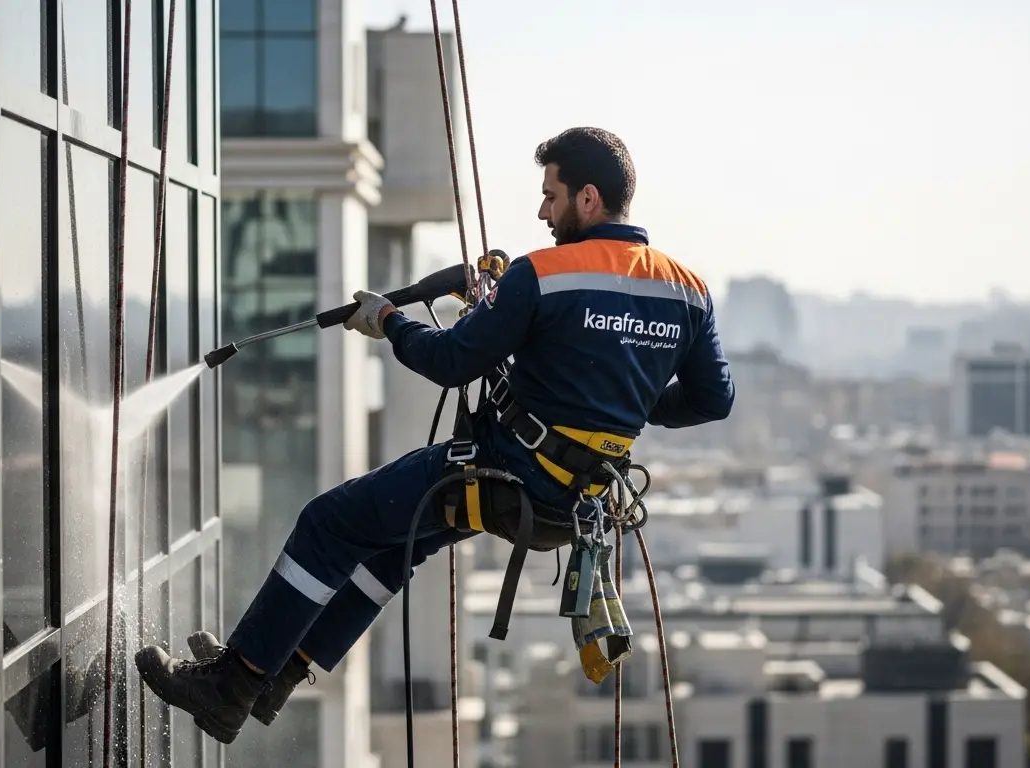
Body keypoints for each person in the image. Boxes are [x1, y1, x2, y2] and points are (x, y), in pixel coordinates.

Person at [134, 126, 736, 744]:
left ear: (588, 198)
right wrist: (629, 402)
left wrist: (390, 322)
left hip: (504, 472)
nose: (542, 210)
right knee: (394, 547)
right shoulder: (687, 290)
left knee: (327, 523)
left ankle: (231, 687)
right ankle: (281, 669)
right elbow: (713, 399)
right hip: (574, 500)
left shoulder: (545, 274)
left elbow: (451, 361)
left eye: (551, 196)